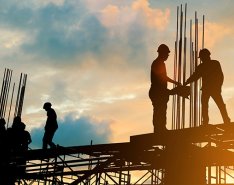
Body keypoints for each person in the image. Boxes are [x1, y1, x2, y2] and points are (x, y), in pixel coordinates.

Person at [184, 48, 231, 125]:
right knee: (207, 105)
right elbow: (195, 76)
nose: (201, 59)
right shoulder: (205, 65)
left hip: (212, 88)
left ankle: (225, 120)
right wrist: (187, 81)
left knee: (218, 105)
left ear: (206, 56)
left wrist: (219, 87)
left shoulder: (214, 64)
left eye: (202, 57)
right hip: (208, 89)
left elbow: (220, 76)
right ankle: (207, 121)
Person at [149, 44, 181, 132]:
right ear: (162, 53)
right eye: (167, 54)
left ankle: (161, 128)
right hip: (157, 92)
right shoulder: (158, 63)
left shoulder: (160, 63)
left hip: (160, 91)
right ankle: (158, 129)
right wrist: (175, 83)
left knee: (162, 110)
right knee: (159, 110)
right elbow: (163, 77)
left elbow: (163, 78)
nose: (167, 56)